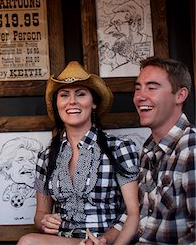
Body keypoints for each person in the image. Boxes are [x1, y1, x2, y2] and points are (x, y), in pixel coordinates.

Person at [17, 61, 140, 245]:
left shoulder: (120, 148)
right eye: (64, 95)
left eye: (80, 94)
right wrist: (44, 221)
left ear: (94, 103)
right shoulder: (45, 157)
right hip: (65, 241)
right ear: (57, 105)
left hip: (107, 241)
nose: (72, 101)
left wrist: (106, 239)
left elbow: (133, 212)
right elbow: (40, 214)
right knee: (28, 242)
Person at [88, 57, 195, 244]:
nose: (139, 97)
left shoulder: (191, 149)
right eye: (138, 88)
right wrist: (104, 240)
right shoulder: (148, 151)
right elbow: (135, 214)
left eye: (152, 88)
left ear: (180, 95)